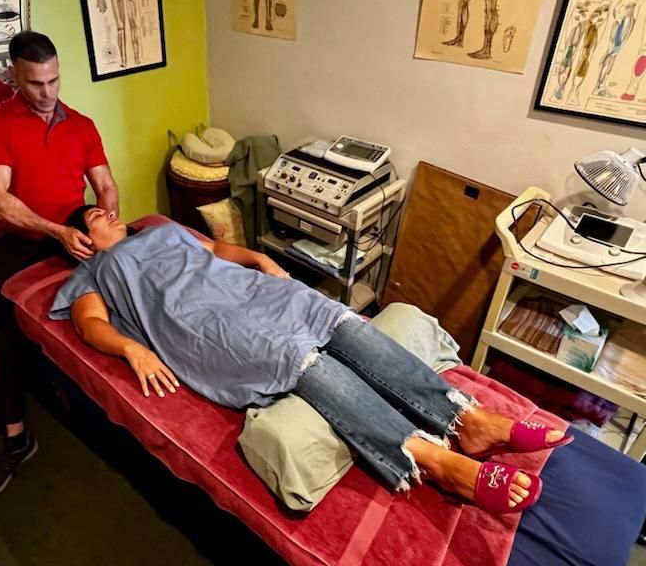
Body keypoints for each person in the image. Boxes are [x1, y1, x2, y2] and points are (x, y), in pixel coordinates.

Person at [49, 206, 573, 512]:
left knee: (334, 317)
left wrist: (258, 256)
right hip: (203, 324)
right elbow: (90, 323)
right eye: (96, 216)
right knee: (297, 356)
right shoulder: (96, 272)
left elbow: (213, 251)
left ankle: (469, 417)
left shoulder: (161, 230)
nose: (110, 213)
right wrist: (132, 347)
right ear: (82, 242)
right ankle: (433, 458)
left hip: (247, 291)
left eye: (109, 208)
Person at [0, 32, 120, 499]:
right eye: (35, 83)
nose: (47, 93)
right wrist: (58, 233)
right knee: (5, 332)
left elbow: (106, 186)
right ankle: (16, 441)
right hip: (25, 243)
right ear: (14, 75)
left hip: (77, 233)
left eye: (54, 80)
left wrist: (106, 221)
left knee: (115, 302)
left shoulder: (81, 124)